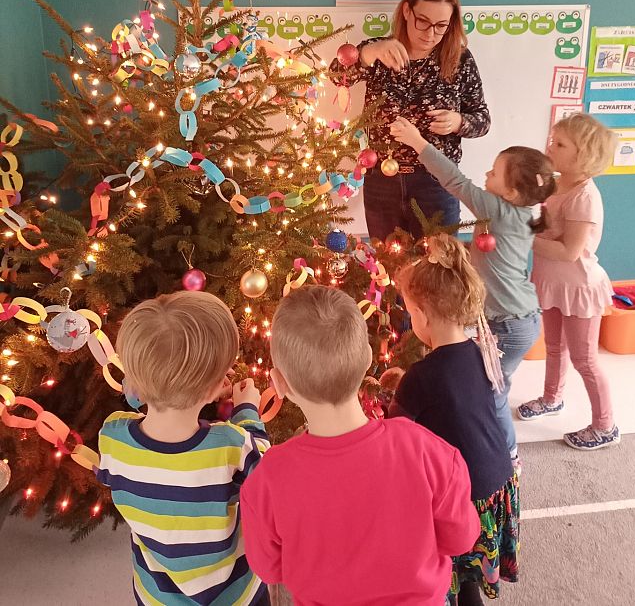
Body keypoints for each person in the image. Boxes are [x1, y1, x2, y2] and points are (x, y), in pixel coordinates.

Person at [239, 285, 480, 606]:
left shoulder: (267, 479)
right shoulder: (430, 452)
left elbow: (269, 568)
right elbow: (461, 539)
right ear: (367, 358)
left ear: (279, 383)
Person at [390, 115, 556, 473]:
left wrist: (418, 142)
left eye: (494, 173)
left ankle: (508, 455)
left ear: (511, 193)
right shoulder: (521, 212)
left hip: (509, 323)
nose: (486, 175)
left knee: (493, 392)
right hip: (516, 318)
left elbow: (455, 181)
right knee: (488, 386)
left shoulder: (499, 210)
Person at [96, 291, 270, 605]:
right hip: (234, 595)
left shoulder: (113, 435)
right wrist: (247, 410)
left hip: (157, 595)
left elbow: (109, 472)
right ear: (214, 388)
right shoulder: (230, 445)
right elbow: (266, 467)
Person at [390, 234, 519, 606]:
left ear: (423, 315)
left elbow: (395, 431)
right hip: (497, 478)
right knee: (468, 570)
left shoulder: (421, 377)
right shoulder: (481, 351)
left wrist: (395, 391)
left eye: (410, 311)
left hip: (461, 494)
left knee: (449, 568)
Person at [330, 0, 490, 242]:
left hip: (438, 181)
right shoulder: (379, 50)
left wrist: (458, 122)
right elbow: (337, 77)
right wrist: (369, 53)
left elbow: (483, 120)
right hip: (381, 178)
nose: (430, 34)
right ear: (407, 11)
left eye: (441, 26)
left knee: (438, 264)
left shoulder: (459, 58)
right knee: (385, 262)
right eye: (423, 21)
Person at [517, 113, 620, 451]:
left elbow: (569, 251)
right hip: (553, 283)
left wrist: (525, 238)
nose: (550, 147)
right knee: (554, 347)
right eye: (553, 140)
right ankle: (552, 398)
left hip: (578, 288)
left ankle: (605, 426)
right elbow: (544, 226)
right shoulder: (556, 184)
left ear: (584, 155)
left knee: (584, 360)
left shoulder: (584, 197)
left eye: (560, 144)